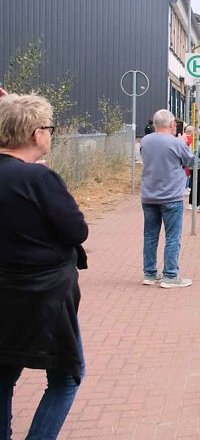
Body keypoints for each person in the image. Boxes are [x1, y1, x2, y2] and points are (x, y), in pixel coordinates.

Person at [0, 93, 88, 438]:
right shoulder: (39, 179)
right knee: (66, 377)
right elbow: (76, 230)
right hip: (45, 299)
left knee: (3, 374)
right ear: (37, 134)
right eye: (49, 129)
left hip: (4, 293)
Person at [139, 109, 195, 288]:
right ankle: (170, 275)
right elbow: (191, 161)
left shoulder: (145, 141)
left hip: (149, 195)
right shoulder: (176, 142)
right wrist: (183, 144)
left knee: (150, 235)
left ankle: (149, 273)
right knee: (172, 236)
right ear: (171, 125)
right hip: (171, 196)